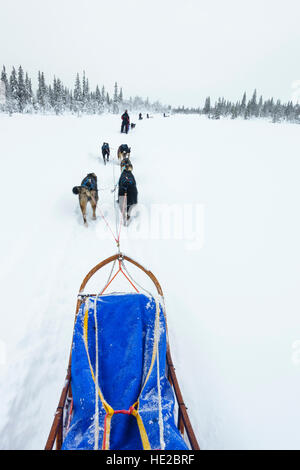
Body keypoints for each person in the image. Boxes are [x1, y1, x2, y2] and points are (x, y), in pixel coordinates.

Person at [118, 158, 138, 224]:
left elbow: (119, 184)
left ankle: (123, 215)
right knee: (130, 204)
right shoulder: (131, 175)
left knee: (122, 203)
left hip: (123, 190)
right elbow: (134, 184)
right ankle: (128, 214)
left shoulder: (122, 174)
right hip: (132, 190)